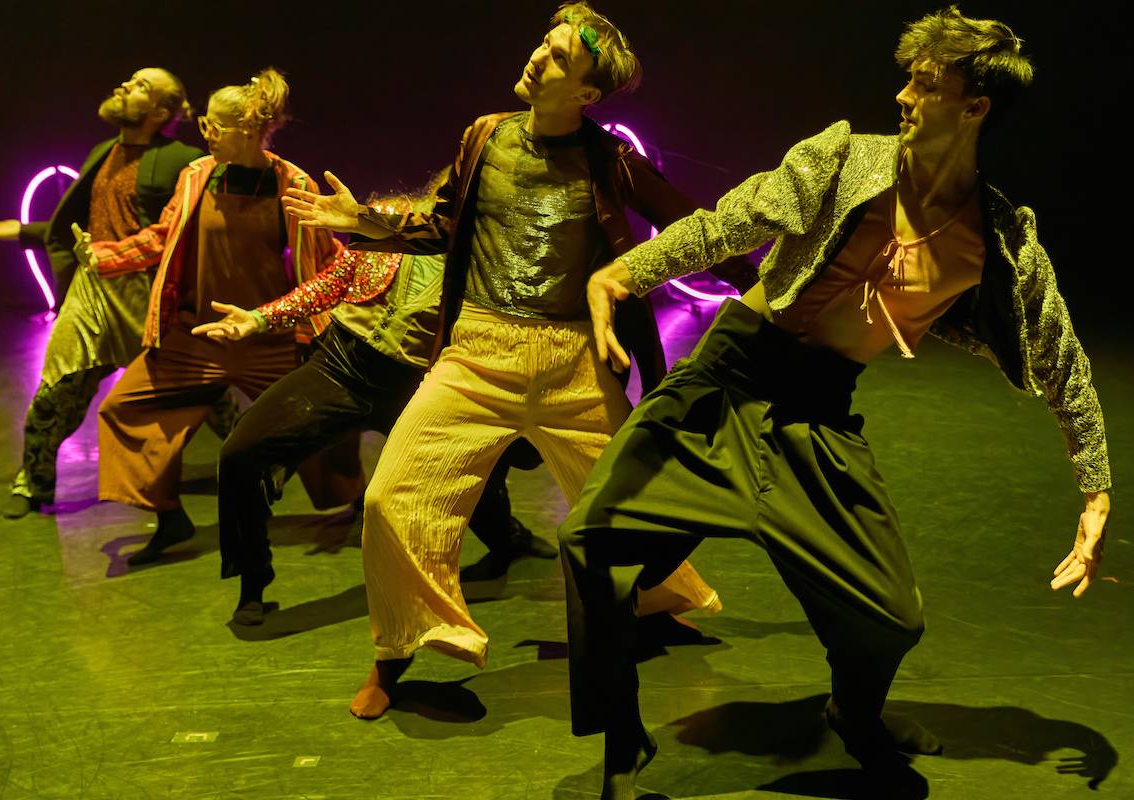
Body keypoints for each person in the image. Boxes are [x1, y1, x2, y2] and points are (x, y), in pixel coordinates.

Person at [558, 7, 1112, 798]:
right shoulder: (845, 158)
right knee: (591, 537)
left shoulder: (999, 241)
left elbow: (1061, 358)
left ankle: (855, 713)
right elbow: (732, 218)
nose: (902, 95)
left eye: (925, 83)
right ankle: (622, 744)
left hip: (819, 413)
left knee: (892, 617)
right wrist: (624, 273)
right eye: (908, 77)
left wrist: (1095, 486)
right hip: (729, 382)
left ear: (975, 106)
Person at [282, 1, 755, 720]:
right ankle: (400, 648)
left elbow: (692, 229)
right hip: (477, 355)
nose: (539, 56)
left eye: (560, 56)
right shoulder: (485, 137)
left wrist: (766, 291)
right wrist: (364, 223)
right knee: (390, 499)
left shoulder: (609, 160)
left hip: (573, 363)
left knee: (631, 503)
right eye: (545, 41)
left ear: (587, 94)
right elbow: (446, 221)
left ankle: (653, 605)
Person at [190, 176, 559, 626]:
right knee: (242, 453)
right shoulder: (390, 222)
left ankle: (508, 541)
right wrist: (259, 319)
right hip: (341, 364)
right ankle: (253, 578)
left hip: (417, 384)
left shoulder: (492, 257)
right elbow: (334, 282)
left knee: (476, 475)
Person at [85, 68, 359, 565]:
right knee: (125, 408)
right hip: (197, 337)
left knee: (327, 416)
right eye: (205, 124)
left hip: (268, 338)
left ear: (249, 131)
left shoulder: (291, 183)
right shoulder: (196, 176)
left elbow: (324, 264)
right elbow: (161, 237)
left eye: (214, 126)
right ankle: (169, 517)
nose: (204, 133)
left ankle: (359, 501)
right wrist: (104, 257)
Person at [0, 68, 235, 519]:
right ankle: (34, 483)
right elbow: (82, 226)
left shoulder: (183, 159)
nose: (124, 85)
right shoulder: (103, 152)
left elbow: (192, 231)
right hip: (94, 297)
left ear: (162, 110)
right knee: (58, 388)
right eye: (130, 80)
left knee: (208, 393)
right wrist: (21, 230)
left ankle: (263, 465)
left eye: (141, 86)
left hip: (152, 297)